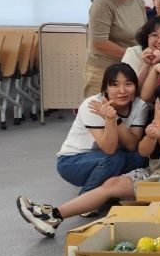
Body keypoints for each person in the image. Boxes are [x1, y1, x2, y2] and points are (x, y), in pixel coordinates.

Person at [17, 81, 160, 237]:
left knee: (118, 185)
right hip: (157, 173)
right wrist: (150, 136)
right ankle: (54, 216)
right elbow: (143, 151)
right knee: (111, 184)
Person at [55, 63, 149, 199]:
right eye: (115, 85)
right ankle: (87, 197)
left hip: (110, 158)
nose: (122, 90)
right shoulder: (92, 105)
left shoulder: (139, 106)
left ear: (135, 86)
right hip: (72, 162)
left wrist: (115, 119)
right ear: (106, 88)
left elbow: (132, 145)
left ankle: (109, 192)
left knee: (140, 158)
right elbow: (109, 149)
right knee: (115, 158)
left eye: (128, 84)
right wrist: (110, 120)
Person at [83, 0, 146, 97]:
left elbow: (143, 32)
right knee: (100, 108)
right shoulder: (103, 3)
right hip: (103, 70)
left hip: (129, 68)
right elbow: (99, 42)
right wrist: (132, 55)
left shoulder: (138, 0)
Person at [122, 16, 160, 83]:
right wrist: (147, 65)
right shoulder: (133, 52)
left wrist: (155, 64)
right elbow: (129, 87)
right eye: (154, 35)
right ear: (146, 38)